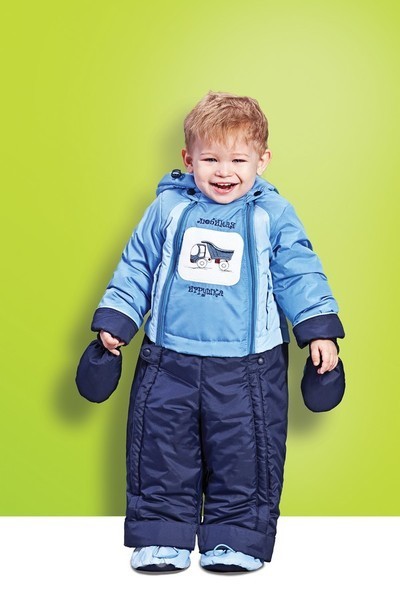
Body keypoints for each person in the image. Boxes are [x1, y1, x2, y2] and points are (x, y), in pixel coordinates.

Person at [84, 92, 345, 573]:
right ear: (189, 160)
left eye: (238, 160)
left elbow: (299, 272)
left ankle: (237, 537)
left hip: (249, 369)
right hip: (168, 361)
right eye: (210, 159)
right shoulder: (167, 209)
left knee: (246, 453)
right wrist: (118, 320)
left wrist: (318, 331)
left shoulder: (272, 215)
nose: (224, 172)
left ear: (262, 160)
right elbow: (137, 266)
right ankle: (161, 535)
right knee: (161, 448)